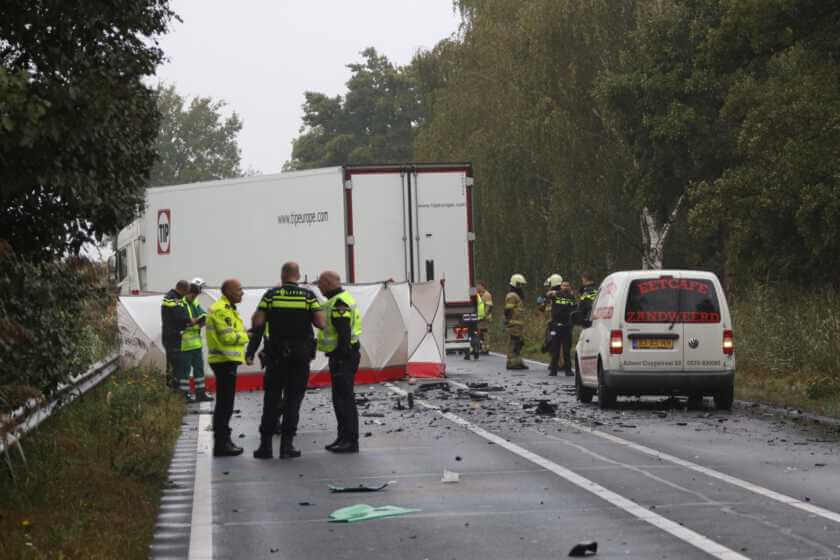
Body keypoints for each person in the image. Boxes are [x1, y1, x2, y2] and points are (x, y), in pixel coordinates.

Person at [250, 262, 325, 460]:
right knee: (293, 400)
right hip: (300, 356)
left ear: (282, 275)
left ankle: (265, 447)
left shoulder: (271, 295)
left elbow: (258, 323)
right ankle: (286, 446)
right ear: (298, 275)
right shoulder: (308, 296)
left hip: (275, 356)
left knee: (271, 400)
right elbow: (320, 323)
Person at [317, 270, 363, 454]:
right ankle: (342, 437)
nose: (319, 288)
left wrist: (341, 358)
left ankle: (350, 441)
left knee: (344, 400)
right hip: (342, 356)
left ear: (327, 283)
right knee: (340, 399)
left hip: (343, 357)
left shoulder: (339, 303)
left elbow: (343, 333)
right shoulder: (338, 300)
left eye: (320, 284)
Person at [206, 278, 249, 457]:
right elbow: (228, 337)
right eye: (239, 289)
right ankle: (222, 444)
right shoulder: (222, 310)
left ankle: (224, 441)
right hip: (224, 361)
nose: (242, 292)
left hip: (225, 361)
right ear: (229, 292)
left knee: (225, 403)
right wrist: (246, 335)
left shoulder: (228, 308)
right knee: (225, 404)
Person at [178, 278, 214, 402]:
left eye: (196, 296)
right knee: (185, 372)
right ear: (187, 293)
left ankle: (200, 393)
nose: (194, 298)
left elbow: (202, 314)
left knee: (199, 369)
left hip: (196, 344)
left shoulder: (194, 302)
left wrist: (201, 319)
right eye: (193, 295)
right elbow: (182, 321)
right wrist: (193, 322)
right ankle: (184, 394)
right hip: (184, 344)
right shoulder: (180, 304)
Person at [161, 280, 195, 390]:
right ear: (183, 289)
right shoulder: (172, 298)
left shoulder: (175, 297)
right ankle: (174, 389)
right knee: (175, 365)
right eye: (187, 292)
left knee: (175, 364)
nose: (186, 295)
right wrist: (189, 320)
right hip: (172, 337)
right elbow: (178, 316)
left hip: (173, 335)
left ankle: (174, 389)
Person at [549, 280, 577, 377]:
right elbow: (548, 294)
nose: (565, 287)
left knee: (566, 350)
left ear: (570, 287)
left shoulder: (571, 297)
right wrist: (554, 292)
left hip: (567, 326)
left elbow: (575, 309)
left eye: (567, 285)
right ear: (560, 287)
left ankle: (568, 370)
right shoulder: (556, 295)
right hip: (556, 325)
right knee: (555, 349)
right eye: (564, 285)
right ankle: (553, 370)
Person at [504, 273, 528, 370]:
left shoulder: (517, 296)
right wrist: (508, 321)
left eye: (521, 284)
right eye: (518, 284)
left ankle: (518, 361)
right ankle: (511, 362)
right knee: (514, 343)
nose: (520, 287)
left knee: (519, 343)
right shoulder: (512, 295)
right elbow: (508, 309)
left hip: (518, 324)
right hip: (514, 323)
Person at [539, 274, 563, 354]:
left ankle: (550, 346)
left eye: (549, 286)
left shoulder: (555, 294)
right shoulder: (548, 295)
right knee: (551, 337)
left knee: (553, 338)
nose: (548, 288)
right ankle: (549, 346)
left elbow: (541, 306)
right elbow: (540, 305)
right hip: (554, 321)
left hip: (554, 321)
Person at [476, 281, 493, 355]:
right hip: (479, 317)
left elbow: (489, 306)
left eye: (478, 286)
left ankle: (486, 348)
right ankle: (482, 347)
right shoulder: (478, 294)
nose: (477, 287)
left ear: (482, 286)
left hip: (485, 318)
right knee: (480, 333)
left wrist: (484, 315)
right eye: (477, 286)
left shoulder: (487, 295)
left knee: (485, 332)